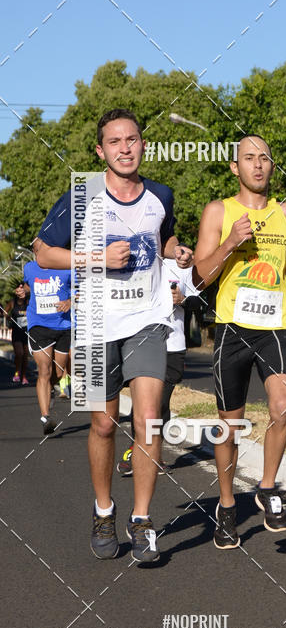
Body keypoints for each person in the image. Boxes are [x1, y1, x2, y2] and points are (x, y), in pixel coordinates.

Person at [34, 108, 193, 563]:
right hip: (96, 322)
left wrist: (174, 249)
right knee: (104, 423)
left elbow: (161, 236)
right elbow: (43, 253)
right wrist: (95, 258)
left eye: (133, 139)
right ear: (100, 150)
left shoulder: (161, 194)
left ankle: (142, 520)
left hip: (147, 320)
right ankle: (104, 510)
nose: (126, 147)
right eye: (115, 141)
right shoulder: (82, 195)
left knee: (147, 419)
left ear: (143, 145)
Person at [194, 134, 286, 549]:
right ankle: (226, 507)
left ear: (271, 167)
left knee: (282, 406)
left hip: (275, 327)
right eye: (249, 158)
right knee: (230, 426)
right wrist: (228, 244)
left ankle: (267, 487)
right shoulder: (219, 211)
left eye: (264, 158)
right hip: (232, 329)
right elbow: (199, 278)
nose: (258, 165)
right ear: (234, 168)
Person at [117, 258, 199, 476]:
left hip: (173, 344)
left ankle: (150, 451)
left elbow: (202, 302)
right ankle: (139, 450)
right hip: (142, 341)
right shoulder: (139, 261)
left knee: (161, 402)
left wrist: (183, 299)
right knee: (145, 399)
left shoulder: (182, 264)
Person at [23, 260, 72, 434]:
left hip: (63, 326)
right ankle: (46, 417)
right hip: (38, 325)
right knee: (44, 370)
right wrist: (24, 291)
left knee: (58, 373)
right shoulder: (29, 267)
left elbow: (85, 289)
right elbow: (29, 285)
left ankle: (47, 389)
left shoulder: (66, 265)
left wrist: (71, 301)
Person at [5, 280, 30, 385]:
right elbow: (5, 313)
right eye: (19, 288)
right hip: (16, 332)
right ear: (17, 290)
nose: (21, 289)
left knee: (25, 355)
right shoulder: (12, 302)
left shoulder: (29, 302)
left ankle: (23, 376)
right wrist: (8, 316)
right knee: (19, 354)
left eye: (22, 287)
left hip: (27, 332)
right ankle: (16, 373)